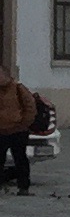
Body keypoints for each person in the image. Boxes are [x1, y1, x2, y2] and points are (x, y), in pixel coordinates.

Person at [0, 64, 40, 196]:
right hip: (2, 131)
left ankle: (23, 187)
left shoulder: (18, 88)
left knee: (20, 159)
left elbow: (30, 107)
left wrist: (24, 124)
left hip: (18, 131)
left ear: (6, 75)